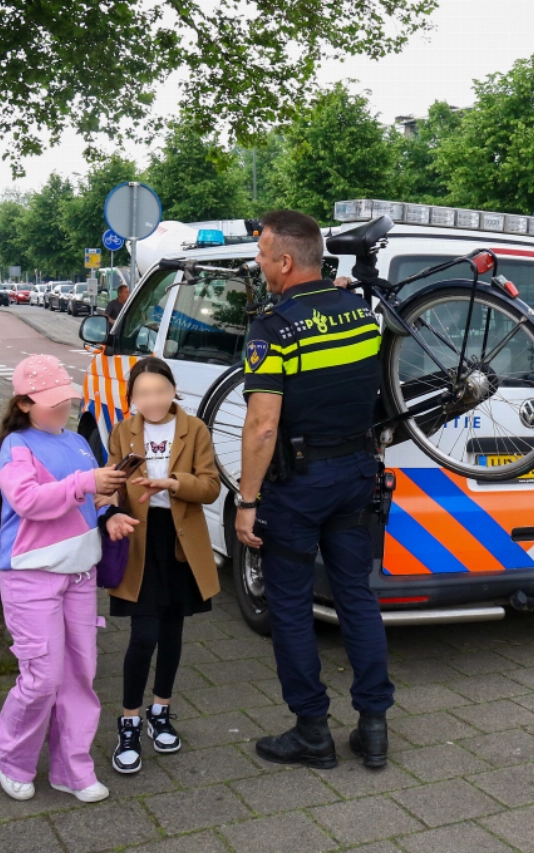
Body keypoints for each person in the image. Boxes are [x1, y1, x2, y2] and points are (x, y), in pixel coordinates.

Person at [235, 209, 394, 770]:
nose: (258, 265)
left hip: (298, 483)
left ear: (284, 260)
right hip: (355, 473)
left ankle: (311, 731)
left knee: (292, 608)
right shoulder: (359, 312)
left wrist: (247, 501)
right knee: (356, 596)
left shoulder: (273, 328)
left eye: (261, 256)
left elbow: (262, 426)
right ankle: (373, 727)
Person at [0, 354, 127, 804]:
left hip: (78, 573)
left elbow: (85, 501)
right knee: (43, 677)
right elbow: (28, 501)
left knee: (80, 674)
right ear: (24, 403)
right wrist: (88, 483)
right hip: (31, 577)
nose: (61, 409)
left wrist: (109, 509)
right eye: (51, 402)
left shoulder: (77, 444)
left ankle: (72, 767)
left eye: (64, 400)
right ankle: (11, 756)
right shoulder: (17, 446)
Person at [103, 357, 220, 775]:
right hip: (139, 539)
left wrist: (173, 484)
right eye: (142, 394)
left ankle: (161, 712)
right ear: (131, 399)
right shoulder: (123, 431)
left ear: (173, 390)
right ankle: (129, 720)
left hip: (179, 540)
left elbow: (209, 487)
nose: (152, 401)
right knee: (143, 633)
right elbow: (112, 486)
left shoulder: (195, 429)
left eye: (159, 391)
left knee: (173, 630)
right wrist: (108, 508)